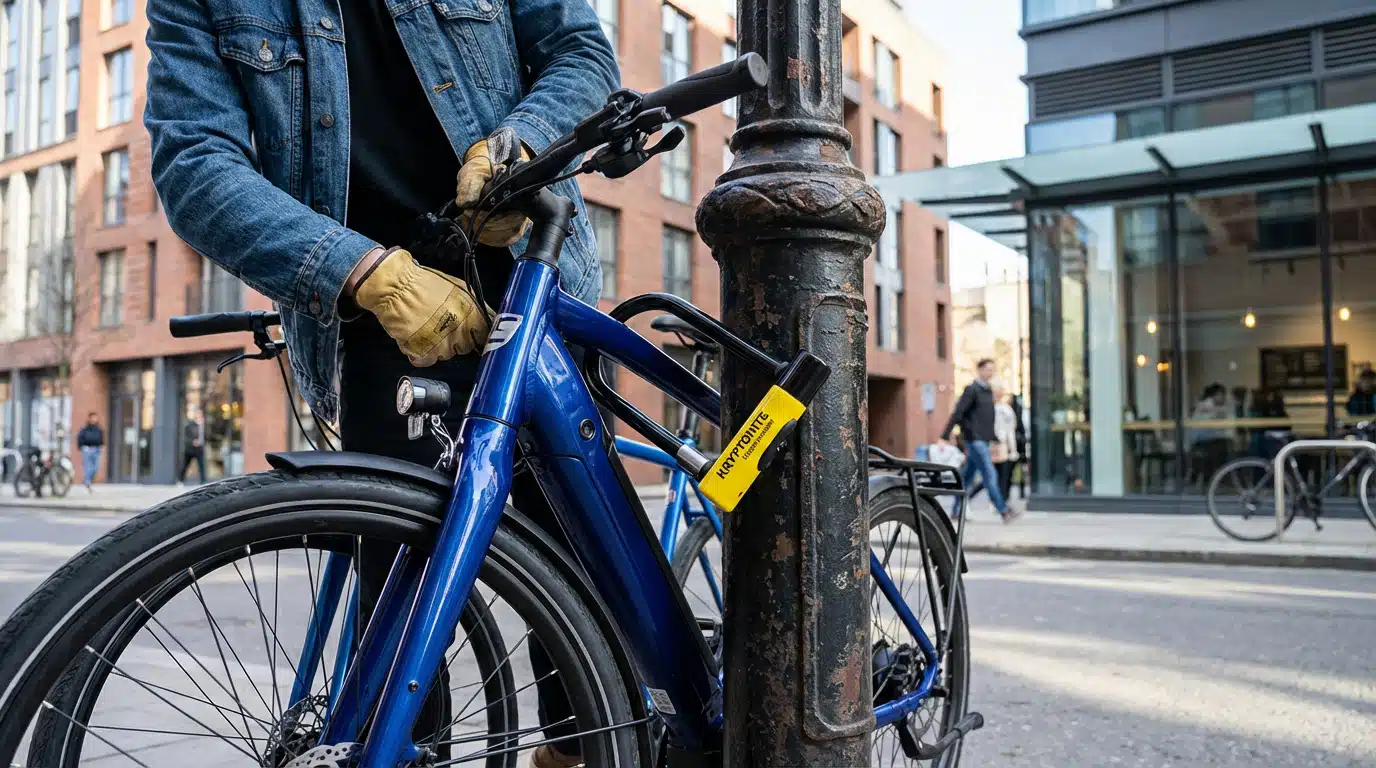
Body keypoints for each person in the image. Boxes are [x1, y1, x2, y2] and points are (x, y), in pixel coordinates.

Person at [146, 0, 617, 762]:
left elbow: (581, 55)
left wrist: (519, 145)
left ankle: (580, 750)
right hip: (375, 323)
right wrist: (365, 272)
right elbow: (195, 163)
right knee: (396, 630)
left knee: (585, 599)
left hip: (532, 291)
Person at [941, 359, 1024, 522]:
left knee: (967, 478)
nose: (990, 373)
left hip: (984, 440)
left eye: (992, 370)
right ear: (979, 370)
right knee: (990, 474)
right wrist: (944, 435)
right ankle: (1004, 511)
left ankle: (956, 510)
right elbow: (958, 413)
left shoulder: (988, 392)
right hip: (975, 441)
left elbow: (987, 419)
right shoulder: (972, 390)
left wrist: (994, 439)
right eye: (987, 369)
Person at [1189, 382, 1232, 486]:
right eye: (1222, 395)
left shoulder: (1221, 407)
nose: (1223, 398)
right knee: (1220, 448)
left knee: (1224, 445)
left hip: (1212, 439)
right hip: (1202, 439)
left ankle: (1218, 477)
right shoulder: (1205, 406)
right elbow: (1208, 425)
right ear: (1215, 395)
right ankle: (1216, 477)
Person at [992, 384, 1019, 503]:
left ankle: (1000, 501)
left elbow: (1010, 432)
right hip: (991, 445)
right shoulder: (990, 408)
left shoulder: (1006, 410)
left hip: (1001, 445)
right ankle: (999, 502)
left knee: (1000, 475)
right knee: (993, 476)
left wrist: (1013, 450)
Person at [75, 413, 104, 492]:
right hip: (87, 449)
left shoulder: (99, 429)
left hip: (96, 449)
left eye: (95, 418)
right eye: (93, 418)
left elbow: (101, 439)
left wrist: (101, 446)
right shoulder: (84, 429)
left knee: (96, 468)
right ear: (89, 418)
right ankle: (87, 482)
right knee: (87, 467)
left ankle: (87, 480)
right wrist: (82, 447)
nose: (94, 419)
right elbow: (80, 437)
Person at [179, 417, 207, 485]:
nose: (202, 419)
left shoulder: (204, 427)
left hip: (199, 450)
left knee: (202, 466)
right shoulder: (190, 426)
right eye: (200, 418)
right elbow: (186, 438)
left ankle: (203, 481)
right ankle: (180, 480)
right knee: (185, 465)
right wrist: (193, 442)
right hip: (190, 450)